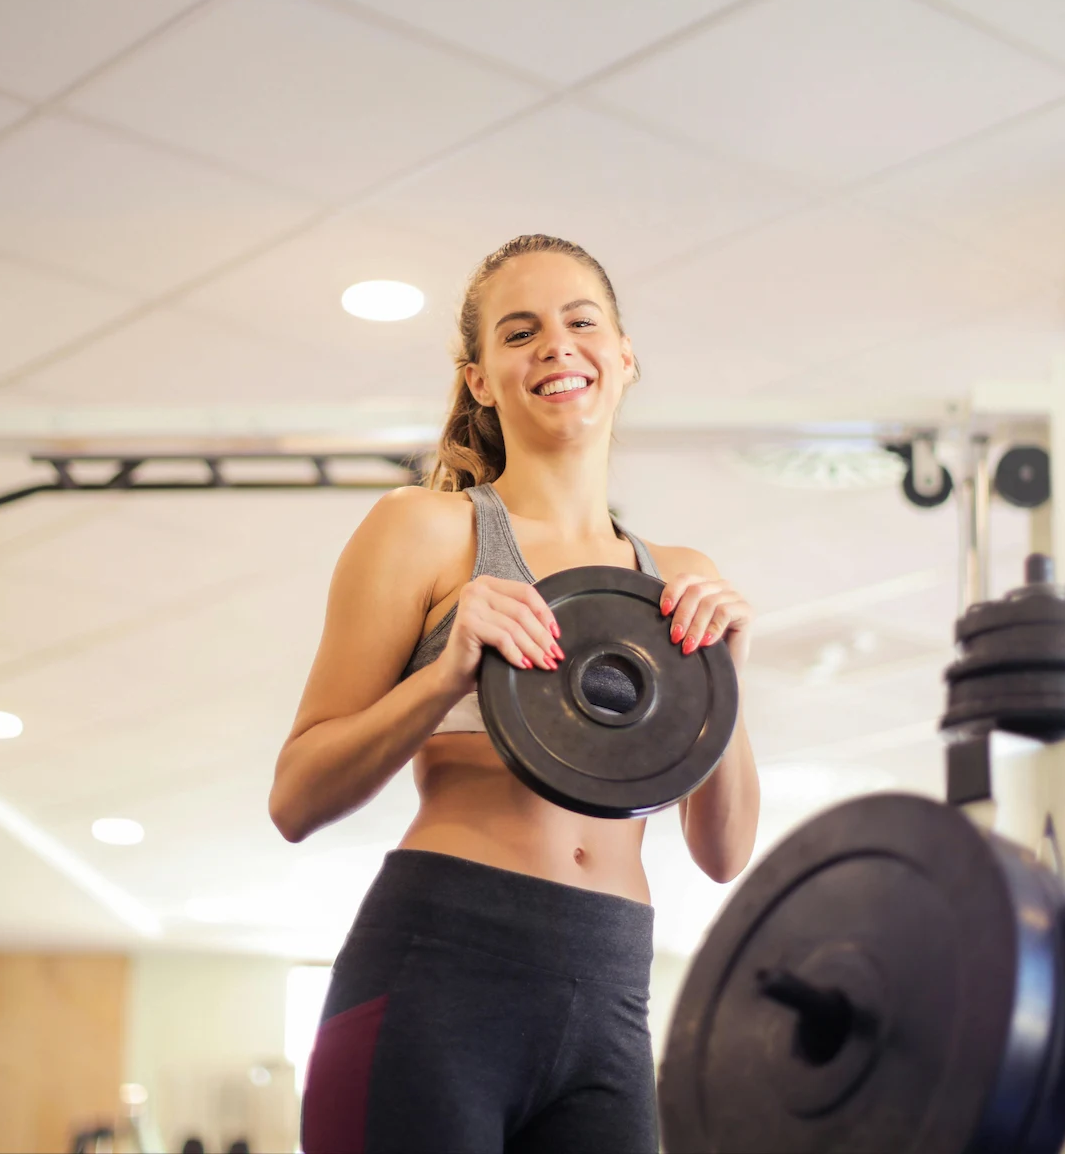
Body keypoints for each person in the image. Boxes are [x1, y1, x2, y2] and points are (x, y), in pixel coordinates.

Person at [270, 234, 762, 1153]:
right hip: (441, 971)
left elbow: (724, 851)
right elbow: (295, 797)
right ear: (481, 379)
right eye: (520, 332)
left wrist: (724, 671)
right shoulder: (424, 532)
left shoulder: (677, 579)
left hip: (612, 988)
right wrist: (448, 672)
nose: (556, 347)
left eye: (582, 323)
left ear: (624, 359)